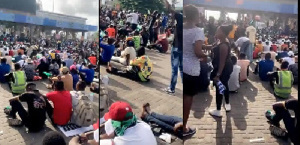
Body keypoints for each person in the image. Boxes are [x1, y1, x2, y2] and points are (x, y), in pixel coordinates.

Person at [182, 4, 205, 137]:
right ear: (196, 16)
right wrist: (206, 56)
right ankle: (184, 127)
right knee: (187, 97)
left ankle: (182, 124)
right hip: (191, 69)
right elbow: (197, 52)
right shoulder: (198, 31)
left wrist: (205, 46)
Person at [209, 25, 233, 117]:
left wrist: (218, 75)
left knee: (219, 86)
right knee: (224, 85)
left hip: (224, 67)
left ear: (223, 33)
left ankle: (218, 110)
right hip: (226, 66)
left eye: (218, 31)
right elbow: (211, 47)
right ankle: (227, 105)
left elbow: (222, 62)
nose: (216, 32)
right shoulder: (220, 41)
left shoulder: (223, 45)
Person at [164, 6, 183, 94]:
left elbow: (173, 12)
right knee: (182, 70)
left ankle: (172, 89)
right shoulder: (187, 25)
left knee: (174, 69)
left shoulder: (179, 22)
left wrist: (167, 3)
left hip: (176, 48)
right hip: (184, 49)